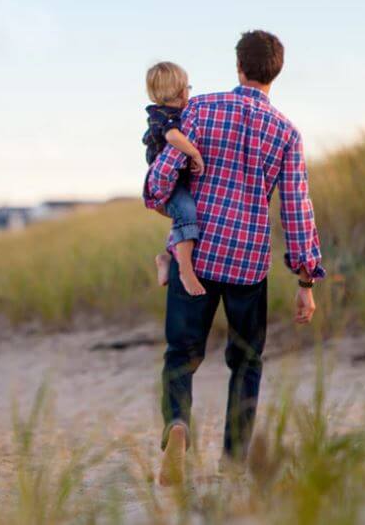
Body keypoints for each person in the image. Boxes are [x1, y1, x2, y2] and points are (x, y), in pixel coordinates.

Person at [143, 30, 325, 486]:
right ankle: (233, 462)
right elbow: (297, 209)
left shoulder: (200, 108)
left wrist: (160, 198)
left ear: (239, 66)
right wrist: (305, 282)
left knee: (180, 356)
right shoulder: (286, 132)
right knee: (246, 362)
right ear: (275, 72)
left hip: (198, 256)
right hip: (248, 265)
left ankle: (178, 425)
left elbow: (162, 176)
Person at [142, 62, 206, 296]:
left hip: (177, 180)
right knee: (187, 212)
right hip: (168, 184)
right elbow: (173, 137)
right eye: (188, 87)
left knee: (184, 217)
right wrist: (194, 152)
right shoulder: (165, 117)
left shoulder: (172, 113)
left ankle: (167, 259)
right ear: (181, 92)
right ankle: (185, 272)